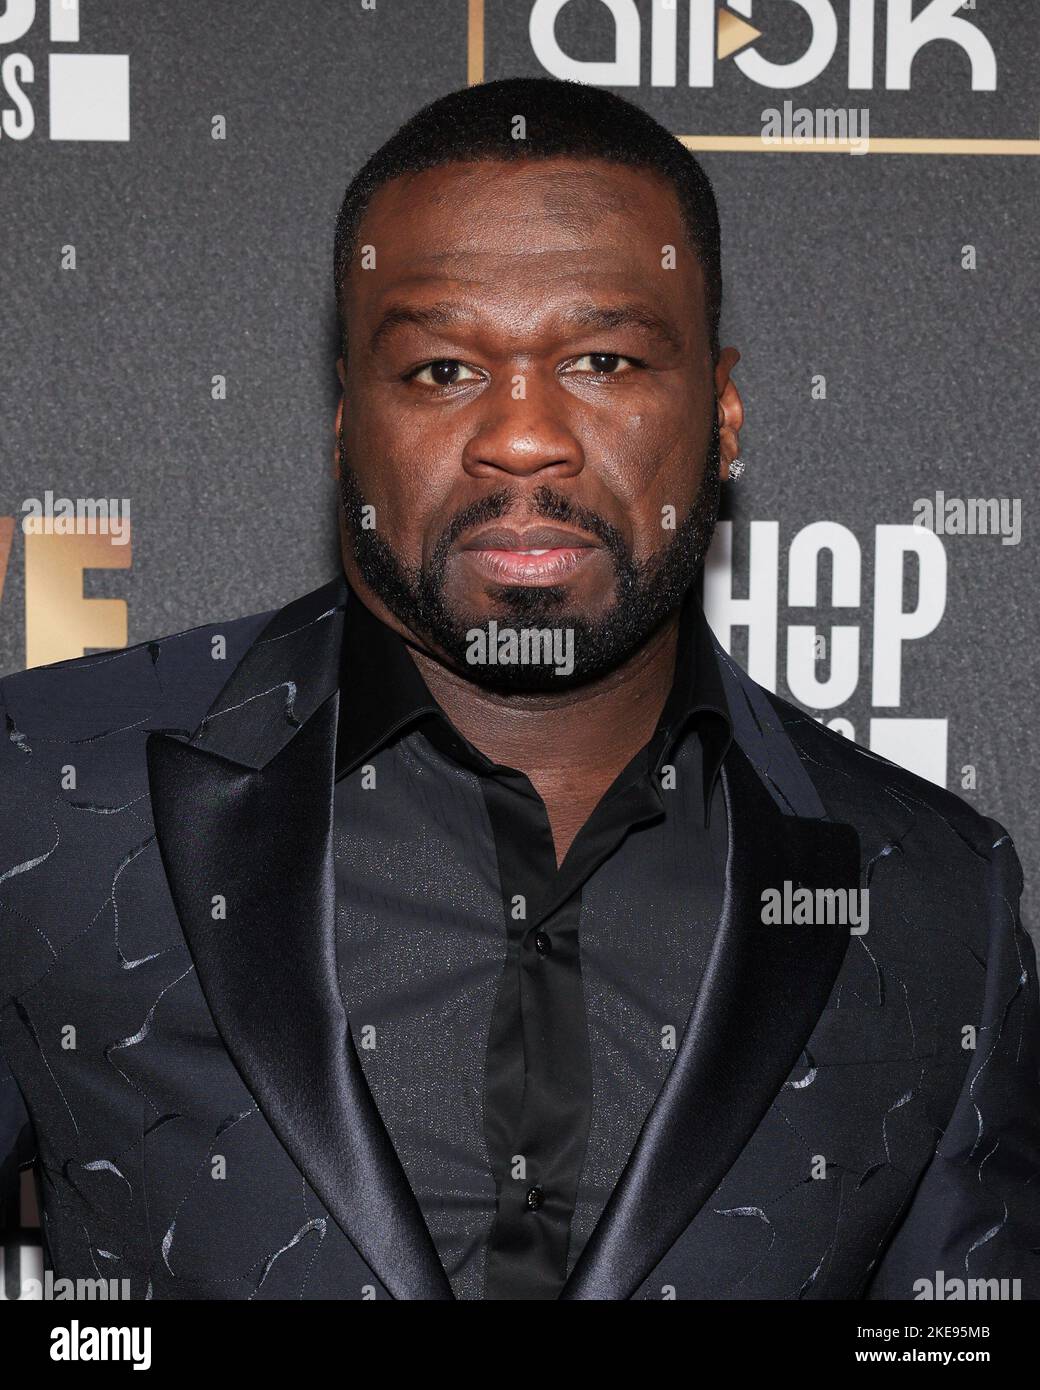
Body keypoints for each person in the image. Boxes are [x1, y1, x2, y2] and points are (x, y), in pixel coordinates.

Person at [1, 76, 1037, 1302]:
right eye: (442, 369)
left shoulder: (927, 894)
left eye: (602, 359)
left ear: (722, 410)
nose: (523, 435)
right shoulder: (49, 797)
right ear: (345, 425)